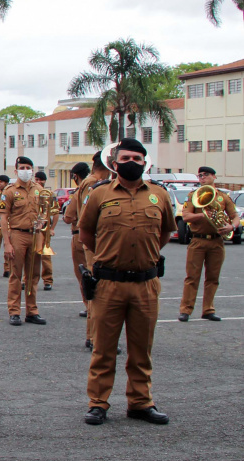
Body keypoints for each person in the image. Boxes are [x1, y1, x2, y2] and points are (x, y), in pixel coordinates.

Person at [78, 138, 175, 426]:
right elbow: (86, 234)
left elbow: (166, 234)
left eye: (137, 158)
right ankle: (98, 403)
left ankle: (140, 402)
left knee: (141, 349)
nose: (132, 162)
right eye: (126, 158)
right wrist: (111, 256)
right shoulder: (99, 194)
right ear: (115, 162)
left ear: (145, 163)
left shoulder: (159, 195)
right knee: (103, 349)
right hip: (109, 283)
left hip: (146, 284)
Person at [179, 166, 239, 322]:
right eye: (199, 175)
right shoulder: (193, 196)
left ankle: (208, 310)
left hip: (217, 241)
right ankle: (186, 310)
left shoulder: (223, 197)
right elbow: (186, 216)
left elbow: (235, 216)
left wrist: (231, 226)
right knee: (192, 277)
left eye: (205, 175)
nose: (202, 178)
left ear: (214, 176)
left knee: (213, 277)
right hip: (198, 240)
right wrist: (203, 216)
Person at [0, 157, 47, 326]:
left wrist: (43, 220)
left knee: (33, 275)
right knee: (16, 275)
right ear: (16, 170)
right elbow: (3, 218)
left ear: (32, 170)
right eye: (22, 167)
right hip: (18, 234)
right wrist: (7, 243)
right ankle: (14, 311)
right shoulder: (10, 191)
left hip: (35, 235)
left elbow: (44, 210)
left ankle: (32, 311)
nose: (25, 170)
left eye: (28, 167)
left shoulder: (39, 189)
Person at [71, 152, 111, 349]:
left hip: (92, 239)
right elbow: (88, 216)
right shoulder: (92, 183)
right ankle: (94, 336)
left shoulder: (94, 183)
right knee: (97, 287)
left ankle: (94, 335)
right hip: (93, 239)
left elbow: (70, 213)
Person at [61, 162, 92, 323]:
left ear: (75, 176)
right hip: (99, 237)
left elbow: (67, 217)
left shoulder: (82, 189)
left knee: (84, 274)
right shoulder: (103, 186)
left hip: (80, 236)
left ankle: (89, 306)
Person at [33, 171, 57, 291]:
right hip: (33, 229)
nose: (38, 182)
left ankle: (48, 280)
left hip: (45, 229)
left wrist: (52, 229)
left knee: (45, 257)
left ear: (44, 181)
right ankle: (26, 279)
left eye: (40, 180)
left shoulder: (50, 194)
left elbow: (56, 212)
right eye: (36, 180)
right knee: (31, 255)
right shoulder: (32, 192)